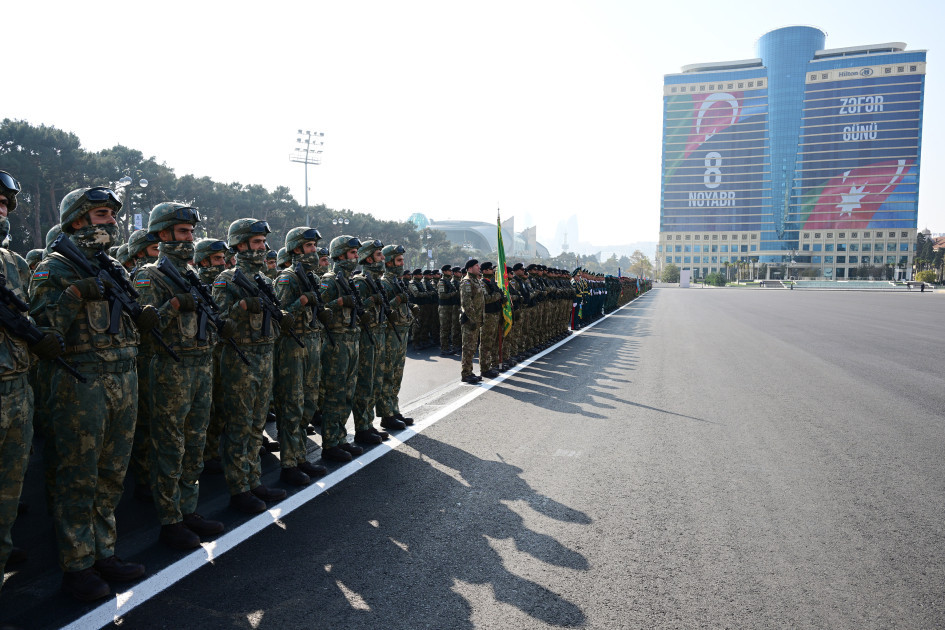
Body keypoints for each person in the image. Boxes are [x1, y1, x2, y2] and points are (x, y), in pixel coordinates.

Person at [30, 185, 159, 601]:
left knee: (111, 475)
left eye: (111, 214)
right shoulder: (54, 268)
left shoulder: (112, 265)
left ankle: (104, 551)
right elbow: (42, 332)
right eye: (102, 214)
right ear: (77, 220)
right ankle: (77, 565)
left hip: (123, 376)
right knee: (78, 476)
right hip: (80, 382)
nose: (112, 221)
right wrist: (73, 293)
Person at [134, 203, 228, 549]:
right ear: (163, 234)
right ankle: (170, 519)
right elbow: (144, 328)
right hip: (170, 368)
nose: (190, 238)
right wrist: (173, 305)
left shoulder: (190, 274)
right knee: (170, 446)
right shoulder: (149, 275)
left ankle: (188, 509)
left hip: (200, 365)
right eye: (183, 232)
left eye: (191, 232)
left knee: (195, 444)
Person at [0, 170, 63, 599]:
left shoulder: (13, 263)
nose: (2, 210)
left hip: (17, 385)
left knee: (10, 486)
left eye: (5, 204)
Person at [211, 218, 290, 514]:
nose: (262, 247)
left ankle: (253, 480)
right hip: (240, 358)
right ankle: (239, 489)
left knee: (257, 425)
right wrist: (241, 307)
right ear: (240, 245)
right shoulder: (226, 279)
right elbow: (218, 324)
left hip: (264, 356)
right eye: (256, 242)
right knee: (239, 427)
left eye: (263, 242)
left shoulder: (264, 280)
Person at [271, 227, 328, 485]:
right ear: (296, 249)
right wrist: (302, 301)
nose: (314, 251)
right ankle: (289, 464)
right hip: (292, 348)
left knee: (308, 404)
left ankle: (301, 456)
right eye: (309, 246)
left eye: (315, 246)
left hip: (312, 344)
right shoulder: (287, 278)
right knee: (291, 406)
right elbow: (279, 317)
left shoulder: (311, 277)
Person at [316, 235, 366, 462]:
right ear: (340, 254)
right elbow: (319, 309)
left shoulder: (349, 280)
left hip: (351, 340)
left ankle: (340, 437)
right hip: (335, 342)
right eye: (352, 253)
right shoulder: (329, 280)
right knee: (334, 394)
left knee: (347, 393)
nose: (356, 257)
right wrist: (339, 302)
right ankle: (330, 442)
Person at [350, 239, 397, 444]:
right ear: (368, 258)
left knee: (375, 382)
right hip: (366, 337)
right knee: (365, 383)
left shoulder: (376, 280)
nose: (383, 258)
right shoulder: (361, 282)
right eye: (379, 255)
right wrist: (371, 301)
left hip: (378, 335)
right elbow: (357, 310)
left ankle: (368, 424)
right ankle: (362, 427)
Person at [194, 238, 230, 474]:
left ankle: (213, 450)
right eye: (217, 259)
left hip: (221, 352)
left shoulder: (225, 283)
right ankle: (203, 455)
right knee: (204, 410)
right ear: (204, 261)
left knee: (221, 406)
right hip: (203, 354)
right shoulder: (194, 283)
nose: (222, 263)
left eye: (223, 258)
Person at [376, 244, 414, 428]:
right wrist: (397, 300)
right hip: (390, 334)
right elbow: (382, 309)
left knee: (397, 374)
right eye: (399, 260)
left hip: (401, 332)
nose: (402, 264)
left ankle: (394, 409)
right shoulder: (384, 283)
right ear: (389, 262)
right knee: (388, 374)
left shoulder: (397, 281)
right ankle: (386, 414)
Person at [458, 259, 484, 383]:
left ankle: (469, 371)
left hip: (476, 319)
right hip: (469, 320)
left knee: (472, 347)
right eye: (476, 266)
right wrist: (473, 319)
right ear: (469, 268)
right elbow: (466, 303)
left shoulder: (476, 281)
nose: (479, 267)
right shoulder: (467, 282)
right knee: (468, 348)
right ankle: (466, 374)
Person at [478, 262, 504, 378]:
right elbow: (485, 299)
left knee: (494, 341)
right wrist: (498, 296)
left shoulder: (492, 282)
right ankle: (485, 368)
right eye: (489, 269)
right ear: (484, 271)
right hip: (488, 315)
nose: (492, 270)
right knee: (486, 343)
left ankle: (494, 363)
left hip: (495, 314)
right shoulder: (482, 283)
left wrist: (501, 297)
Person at [437, 264, 459, 356]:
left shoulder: (448, 281)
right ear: (444, 272)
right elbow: (442, 295)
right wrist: (453, 294)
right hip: (444, 307)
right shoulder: (442, 282)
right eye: (449, 270)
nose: (451, 272)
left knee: (450, 327)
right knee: (444, 328)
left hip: (450, 306)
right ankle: (444, 348)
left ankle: (448, 347)